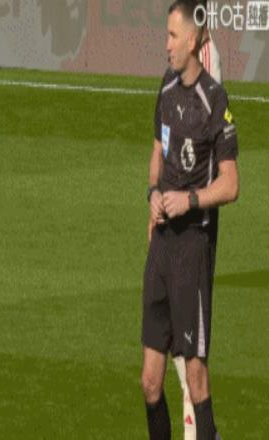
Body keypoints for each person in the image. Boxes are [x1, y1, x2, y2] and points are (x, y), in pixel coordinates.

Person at [141, 1, 239, 439]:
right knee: (150, 382)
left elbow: (231, 184)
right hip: (161, 247)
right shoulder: (165, 87)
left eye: (173, 36)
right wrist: (153, 194)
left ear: (194, 40)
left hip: (192, 250)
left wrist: (190, 200)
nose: (166, 45)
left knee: (195, 374)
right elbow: (157, 152)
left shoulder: (214, 99)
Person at [171, 2, 223, 438]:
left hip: (193, 226)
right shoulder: (186, 56)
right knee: (176, 342)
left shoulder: (205, 58)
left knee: (192, 352)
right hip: (173, 222)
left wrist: (184, 198)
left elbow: (203, 147)